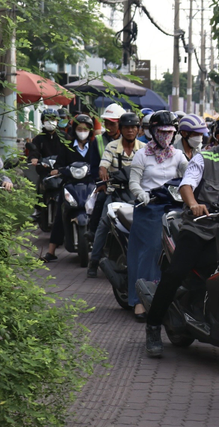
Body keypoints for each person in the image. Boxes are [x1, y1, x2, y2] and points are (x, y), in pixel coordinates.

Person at [145, 111, 219, 356]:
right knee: (176, 272)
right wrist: (193, 205)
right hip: (200, 227)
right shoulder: (203, 157)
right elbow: (187, 185)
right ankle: (153, 324)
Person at [127, 111, 188, 320]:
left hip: (174, 207)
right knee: (151, 251)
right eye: (162, 132)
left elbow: (190, 178)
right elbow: (133, 182)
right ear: (153, 132)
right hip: (149, 207)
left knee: (180, 251)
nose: (166, 136)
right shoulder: (142, 154)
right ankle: (140, 301)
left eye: (170, 132)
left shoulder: (178, 155)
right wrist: (141, 193)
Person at [87, 112, 146, 278]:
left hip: (136, 195)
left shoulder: (143, 149)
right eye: (126, 127)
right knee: (103, 224)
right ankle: (94, 261)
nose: (130, 131)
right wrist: (103, 172)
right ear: (121, 129)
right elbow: (103, 164)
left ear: (138, 129)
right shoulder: (111, 146)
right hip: (115, 193)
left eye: (133, 127)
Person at [43, 114, 101, 262]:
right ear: (74, 129)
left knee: (100, 212)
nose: (83, 131)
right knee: (60, 213)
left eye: (86, 129)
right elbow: (59, 164)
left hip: (90, 185)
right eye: (80, 128)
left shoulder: (94, 146)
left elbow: (99, 163)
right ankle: (51, 250)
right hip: (70, 185)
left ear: (90, 130)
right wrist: (57, 170)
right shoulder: (67, 146)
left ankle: (103, 248)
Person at [28, 108, 67, 178]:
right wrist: (34, 158)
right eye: (47, 120)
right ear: (43, 122)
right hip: (44, 172)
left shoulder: (65, 137)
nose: (50, 122)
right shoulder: (38, 138)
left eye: (52, 119)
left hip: (62, 172)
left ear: (57, 121)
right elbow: (34, 151)